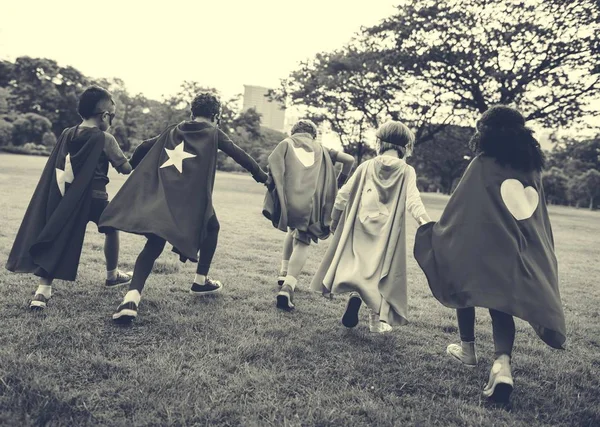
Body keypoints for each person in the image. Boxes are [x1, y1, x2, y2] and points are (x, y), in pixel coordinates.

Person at [414, 105, 567, 403]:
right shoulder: (532, 167)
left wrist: (439, 232)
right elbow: (537, 218)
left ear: (486, 133)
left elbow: (461, 206)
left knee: (463, 283)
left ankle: (468, 350)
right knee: (501, 308)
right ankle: (502, 365)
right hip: (514, 252)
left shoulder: (483, 162)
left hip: (482, 248)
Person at [99, 92, 269, 323]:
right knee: (213, 227)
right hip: (190, 201)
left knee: (154, 243)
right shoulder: (214, 133)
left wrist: (135, 166)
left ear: (192, 112)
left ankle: (131, 298)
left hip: (163, 198)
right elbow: (241, 156)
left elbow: (143, 146)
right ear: (216, 115)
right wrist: (264, 178)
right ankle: (200, 281)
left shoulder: (173, 130)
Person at [6, 86, 133, 310]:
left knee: (57, 236)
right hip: (96, 199)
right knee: (111, 228)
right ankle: (112, 275)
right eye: (111, 116)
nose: (111, 121)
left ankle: (42, 291)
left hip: (66, 200)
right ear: (104, 115)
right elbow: (125, 168)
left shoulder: (67, 133)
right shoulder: (105, 138)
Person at [310, 121, 431, 332]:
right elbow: (413, 201)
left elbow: (343, 195)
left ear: (379, 142)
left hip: (360, 226)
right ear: (406, 146)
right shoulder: (406, 171)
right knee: (378, 273)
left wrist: (335, 220)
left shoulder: (366, 166)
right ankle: (375, 322)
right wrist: (426, 223)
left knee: (360, 266)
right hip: (387, 233)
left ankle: (356, 296)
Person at [262, 119, 355, 310]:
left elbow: (272, 163)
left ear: (293, 132)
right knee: (303, 241)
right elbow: (350, 160)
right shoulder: (321, 148)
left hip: (289, 200)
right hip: (311, 203)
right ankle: (288, 287)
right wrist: (340, 181)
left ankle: (283, 271)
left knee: (292, 231)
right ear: (313, 135)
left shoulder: (286, 143)